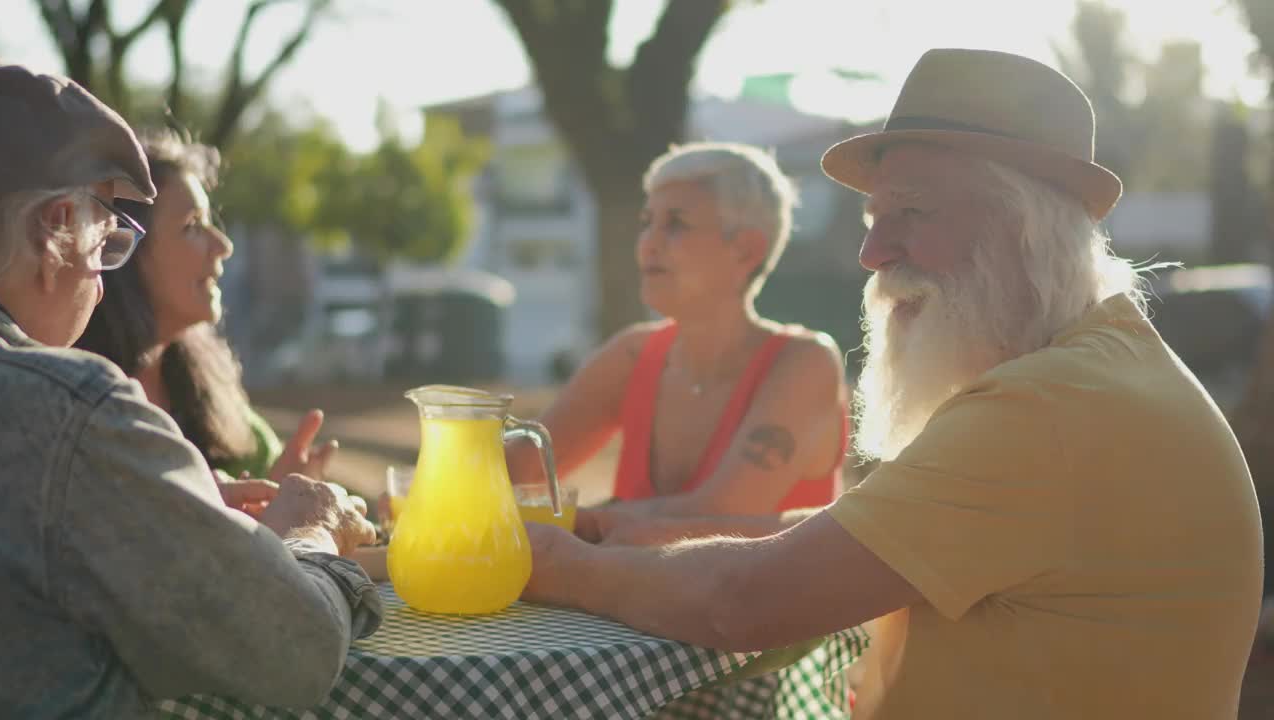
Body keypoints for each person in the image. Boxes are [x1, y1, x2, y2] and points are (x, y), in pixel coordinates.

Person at [519, 48, 1263, 719]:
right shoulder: (1093, 371)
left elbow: (747, 601)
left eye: (910, 212)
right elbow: (853, 539)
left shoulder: (1051, 407)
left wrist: (556, 565)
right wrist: (642, 535)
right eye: (875, 217)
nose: (874, 252)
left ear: (1024, 228)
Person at [0, 61, 381, 718]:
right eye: (106, 242)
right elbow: (297, 651)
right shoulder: (72, 411)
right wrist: (309, 533)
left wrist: (176, 511)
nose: (102, 280)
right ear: (57, 229)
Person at [507, 141, 850, 521]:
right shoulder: (633, 354)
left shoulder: (805, 362)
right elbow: (514, 473)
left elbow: (718, 519)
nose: (647, 244)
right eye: (646, 222)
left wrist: (581, 522)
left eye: (676, 224)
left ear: (746, 250)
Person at [74, 128, 337, 507]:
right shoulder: (75, 408)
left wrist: (277, 492)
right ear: (120, 247)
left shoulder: (212, 392)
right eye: (192, 226)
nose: (223, 246)